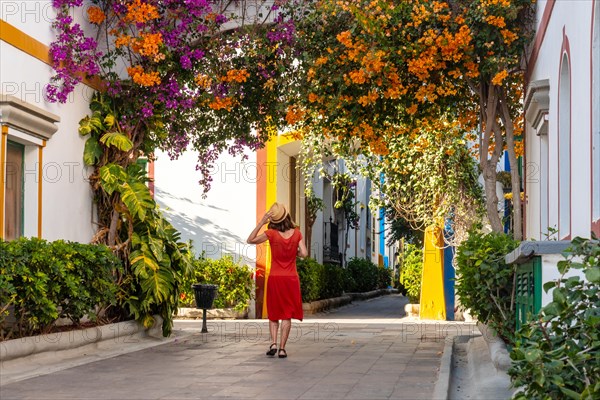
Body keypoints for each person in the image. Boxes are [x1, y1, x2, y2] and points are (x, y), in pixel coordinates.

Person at [247, 202, 308, 358]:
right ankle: (282, 349)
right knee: (286, 314)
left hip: (275, 278)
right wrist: (295, 254)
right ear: (287, 216)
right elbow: (305, 253)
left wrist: (261, 222)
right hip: (291, 279)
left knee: (274, 313)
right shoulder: (297, 233)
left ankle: (273, 343)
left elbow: (250, 240)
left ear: (274, 220)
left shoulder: (271, 233)